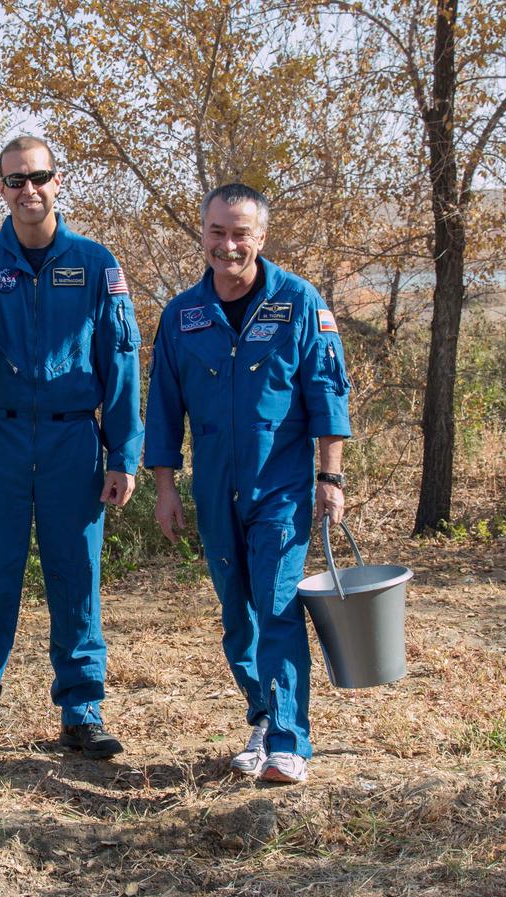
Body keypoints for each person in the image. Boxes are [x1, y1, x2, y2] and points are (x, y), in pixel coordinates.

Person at [0, 136, 143, 770]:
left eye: (38, 177)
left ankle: (81, 711)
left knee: (77, 579)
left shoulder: (98, 266)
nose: (28, 190)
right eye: (15, 181)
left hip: (75, 440)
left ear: (57, 181)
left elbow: (121, 363)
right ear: (2, 189)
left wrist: (123, 453)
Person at [144, 183, 351, 785]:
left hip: (280, 486)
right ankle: (261, 715)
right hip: (215, 487)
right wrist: (165, 488)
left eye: (240, 233)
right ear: (202, 234)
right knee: (237, 612)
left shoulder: (299, 303)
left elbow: (327, 396)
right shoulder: (183, 315)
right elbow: (162, 410)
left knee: (279, 604)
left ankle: (289, 740)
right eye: (217, 232)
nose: (227, 245)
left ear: (260, 237)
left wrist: (329, 478)